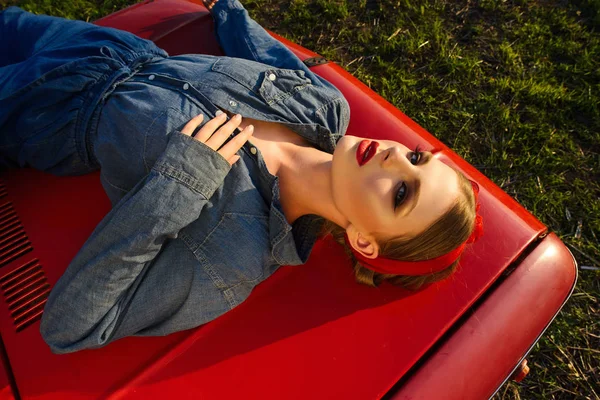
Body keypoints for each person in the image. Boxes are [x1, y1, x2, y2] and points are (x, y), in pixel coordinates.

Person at [0, 0, 481, 354]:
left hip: (42, 113)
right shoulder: (324, 107)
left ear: (364, 241)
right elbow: (267, 58)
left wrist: (181, 179)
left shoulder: (230, 258)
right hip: (107, 49)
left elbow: (73, 326)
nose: (395, 159)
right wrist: (228, 10)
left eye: (402, 193)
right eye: (417, 159)